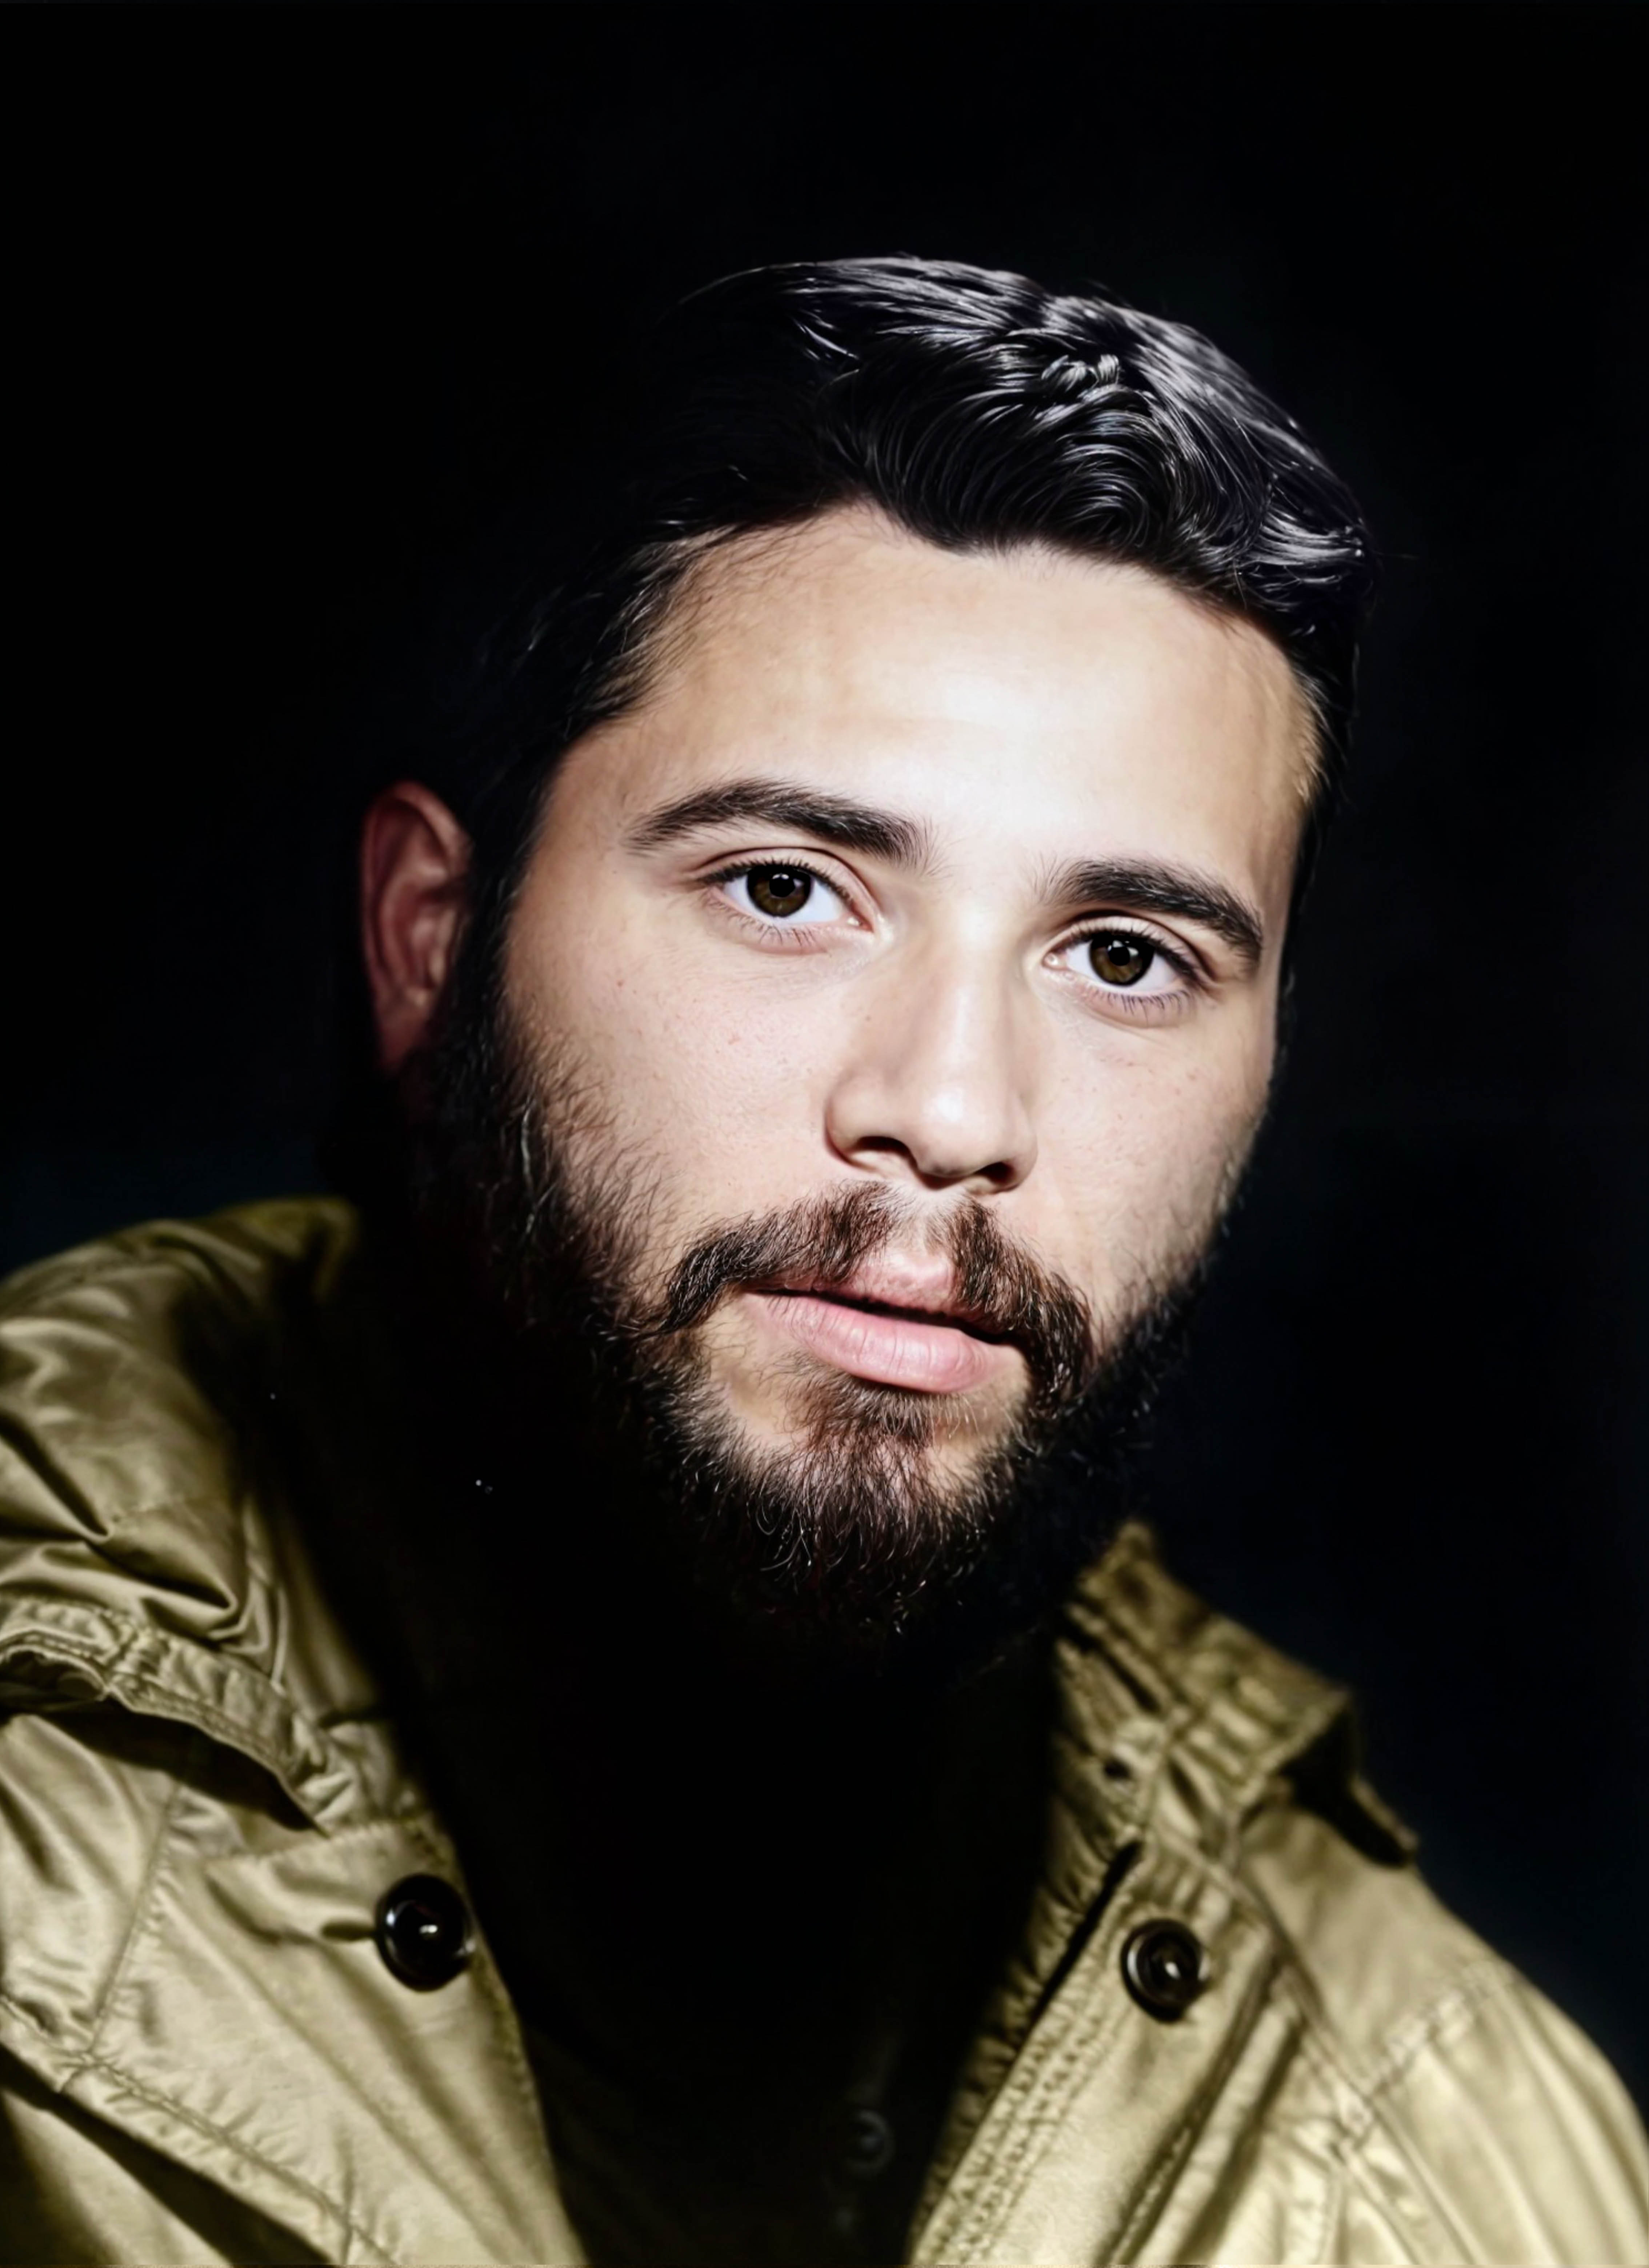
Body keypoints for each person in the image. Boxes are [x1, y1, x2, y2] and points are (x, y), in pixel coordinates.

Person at [0, 256, 1642, 2268]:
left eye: (1123, 957)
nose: (949, 1109)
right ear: (430, 943)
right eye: (787, 889)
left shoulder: (1474, 2175)